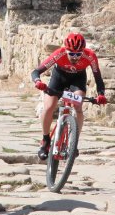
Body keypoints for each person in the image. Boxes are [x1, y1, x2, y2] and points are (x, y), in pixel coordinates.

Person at [30, 32, 108, 160]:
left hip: (78, 80)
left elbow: (98, 78)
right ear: (65, 50)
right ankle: (45, 140)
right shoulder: (59, 53)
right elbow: (36, 71)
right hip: (59, 78)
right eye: (71, 53)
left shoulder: (90, 56)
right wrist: (37, 81)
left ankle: (73, 142)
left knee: (77, 107)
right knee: (49, 107)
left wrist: (101, 94)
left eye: (79, 54)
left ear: (83, 51)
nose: (75, 57)